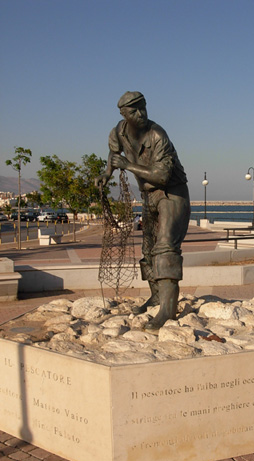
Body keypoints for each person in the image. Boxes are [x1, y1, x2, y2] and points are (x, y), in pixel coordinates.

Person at [96, 91, 191, 330]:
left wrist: (128, 165)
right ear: (124, 114)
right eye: (133, 111)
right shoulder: (119, 131)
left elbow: (161, 176)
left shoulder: (157, 134)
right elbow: (114, 151)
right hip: (149, 196)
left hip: (172, 193)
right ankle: (157, 296)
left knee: (165, 246)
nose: (140, 114)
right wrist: (107, 173)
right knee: (148, 249)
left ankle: (168, 311)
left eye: (143, 108)